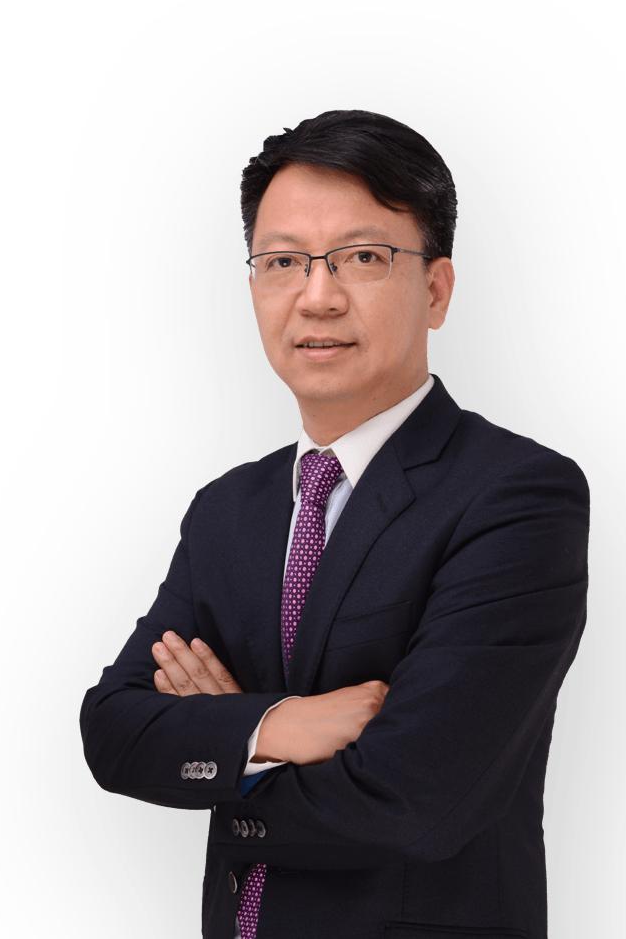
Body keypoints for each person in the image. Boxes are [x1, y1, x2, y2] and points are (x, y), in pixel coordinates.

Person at [79, 109, 590, 939]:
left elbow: (414, 800)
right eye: (284, 262)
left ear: (436, 290)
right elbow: (114, 733)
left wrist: (222, 757)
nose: (317, 297)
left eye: (362, 257)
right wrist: (278, 726)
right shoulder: (227, 509)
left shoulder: (515, 494)